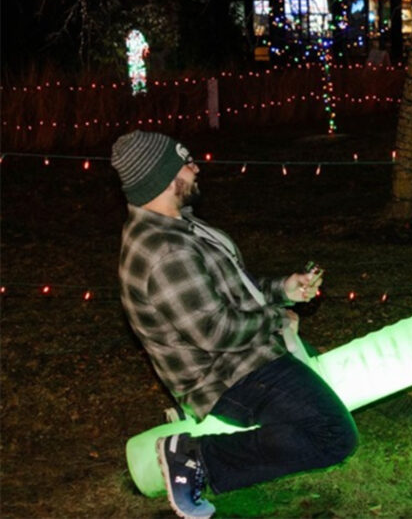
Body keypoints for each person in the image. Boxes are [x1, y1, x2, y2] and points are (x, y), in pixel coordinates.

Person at [112, 130, 358, 518]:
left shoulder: (181, 226)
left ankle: (213, 445)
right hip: (227, 375)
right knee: (334, 436)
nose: (196, 167)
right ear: (162, 179)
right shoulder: (164, 251)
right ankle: (196, 457)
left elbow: (232, 292)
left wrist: (283, 290)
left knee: (320, 409)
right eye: (185, 162)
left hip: (246, 356)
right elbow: (215, 332)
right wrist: (277, 318)